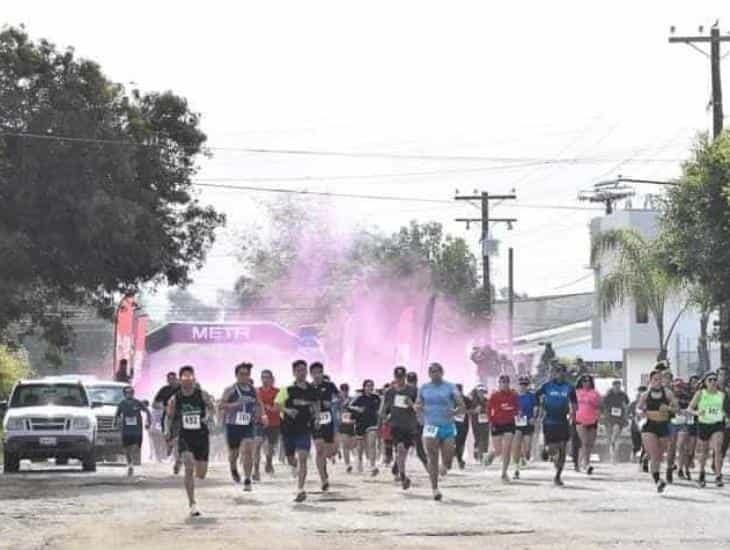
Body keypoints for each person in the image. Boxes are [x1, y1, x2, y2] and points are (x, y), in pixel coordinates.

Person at [165, 365, 216, 517]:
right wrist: (168, 431)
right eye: (184, 377)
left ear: (194, 378)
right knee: (189, 466)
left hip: (201, 435)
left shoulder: (202, 394)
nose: (187, 380)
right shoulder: (176, 398)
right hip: (185, 435)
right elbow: (169, 416)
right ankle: (192, 503)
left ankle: (193, 479)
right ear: (180, 380)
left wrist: (209, 416)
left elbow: (212, 407)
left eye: (190, 377)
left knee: (201, 473)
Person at [415, 362, 466, 501]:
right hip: (431, 425)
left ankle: (445, 465)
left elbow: (461, 404)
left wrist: (456, 411)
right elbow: (418, 403)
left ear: (442, 372)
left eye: (437, 371)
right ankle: (435, 489)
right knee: (432, 457)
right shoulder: (424, 388)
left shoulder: (450, 386)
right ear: (429, 373)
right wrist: (418, 408)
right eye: (432, 371)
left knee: (448, 457)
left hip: (447, 426)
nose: (434, 373)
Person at [275, 359, 319, 502]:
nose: (302, 373)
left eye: (304, 370)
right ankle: (294, 468)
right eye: (299, 370)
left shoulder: (312, 390)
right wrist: (287, 410)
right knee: (291, 459)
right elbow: (276, 406)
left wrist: (317, 418)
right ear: (294, 372)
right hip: (288, 429)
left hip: (304, 428)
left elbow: (316, 404)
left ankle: (300, 489)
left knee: (303, 459)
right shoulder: (287, 389)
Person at [219, 362, 265, 491]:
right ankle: (233, 467)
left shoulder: (253, 390)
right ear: (236, 375)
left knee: (248, 450)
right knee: (234, 453)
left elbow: (259, 404)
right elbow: (221, 406)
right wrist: (236, 404)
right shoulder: (230, 390)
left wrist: (262, 415)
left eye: (246, 374)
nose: (244, 377)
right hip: (233, 425)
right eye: (241, 374)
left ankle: (247, 479)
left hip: (248, 424)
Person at [536, 364, 577, 486]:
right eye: (558, 371)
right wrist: (540, 405)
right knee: (552, 448)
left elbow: (574, 402)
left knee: (563, 448)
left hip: (563, 421)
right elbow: (536, 395)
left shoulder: (569, 387)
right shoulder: (547, 386)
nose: (560, 374)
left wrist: (573, 414)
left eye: (563, 371)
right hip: (549, 421)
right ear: (554, 373)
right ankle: (547, 451)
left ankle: (558, 476)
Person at [637, 370, 676, 493]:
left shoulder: (668, 393)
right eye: (655, 379)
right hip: (649, 426)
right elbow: (637, 409)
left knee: (659, 456)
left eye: (660, 379)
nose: (658, 382)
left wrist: (668, 409)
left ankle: (646, 459)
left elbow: (677, 408)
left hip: (663, 426)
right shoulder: (645, 394)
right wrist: (641, 412)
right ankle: (658, 480)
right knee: (655, 455)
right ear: (650, 381)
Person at [381, 366, 419, 489]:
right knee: (400, 449)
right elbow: (383, 409)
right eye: (397, 377)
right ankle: (403, 476)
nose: (400, 379)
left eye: (402, 377)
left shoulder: (413, 391)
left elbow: (419, 408)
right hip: (396, 425)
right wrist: (384, 418)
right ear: (394, 377)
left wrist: (411, 404)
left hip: (409, 426)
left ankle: (397, 466)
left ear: (405, 377)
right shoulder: (389, 392)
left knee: (404, 452)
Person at [688, 372, 727, 488]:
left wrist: (725, 414)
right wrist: (697, 412)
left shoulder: (722, 395)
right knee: (704, 452)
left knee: (718, 448)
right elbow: (689, 409)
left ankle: (718, 476)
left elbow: (725, 409)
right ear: (705, 382)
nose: (713, 382)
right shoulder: (700, 393)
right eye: (710, 380)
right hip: (704, 424)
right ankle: (701, 473)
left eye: (715, 379)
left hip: (718, 424)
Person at [309, 362, 339, 491]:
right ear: (311, 374)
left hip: (328, 420)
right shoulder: (308, 388)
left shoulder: (329, 385)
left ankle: (325, 468)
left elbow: (340, 398)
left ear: (322, 373)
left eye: (319, 372)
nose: (317, 375)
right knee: (319, 448)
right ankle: (323, 479)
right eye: (314, 373)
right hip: (315, 421)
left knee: (329, 451)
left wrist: (332, 402)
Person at [485, 375, 519, 483]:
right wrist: (490, 421)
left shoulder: (514, 395)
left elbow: (518, 408)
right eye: (502, 382)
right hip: (497, 423)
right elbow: (488, 409)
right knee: (499, 451)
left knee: (507, 449)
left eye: (506, 382)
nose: (504, 384)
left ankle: (504, 473)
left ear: (509, 383)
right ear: (499, 383)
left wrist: (515, 413)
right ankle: (492, 453)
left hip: (509, 423)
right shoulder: (494, 395)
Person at [114, 386, 151, 477]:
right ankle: (130, 463)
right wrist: (115, 424)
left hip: (137, 429)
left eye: (131, 392)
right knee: (126, 448)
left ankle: (132, 460)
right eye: (127, 392)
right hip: (126, 429)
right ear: (124, 394)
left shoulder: (137, 402)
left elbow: (147, 412)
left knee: (135, 446)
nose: (129, 394)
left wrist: (148, 422)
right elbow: (117, 415)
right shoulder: (122, 404)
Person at [350, 379, 381, 476]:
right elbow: (349, 406)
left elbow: (381, 409)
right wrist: (357, 409)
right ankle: (359, 462)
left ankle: (372, 466)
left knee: (372, 444)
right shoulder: (359, 397)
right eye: (368, 386)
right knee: (360, 446)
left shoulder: (376, 398)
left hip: (372, 423)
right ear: (364, 387)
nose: (370, 387)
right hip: (360, 423)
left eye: (371, 385)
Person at [254, 369, 280, 478]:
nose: (265, 380)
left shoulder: (277, 391)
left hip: (274, 423)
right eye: (263, 377)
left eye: (267, 377)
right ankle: (256, 471)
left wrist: (273, 408)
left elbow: (280, 407)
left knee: (270, 447)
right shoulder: (257, 391)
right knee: (257, 445)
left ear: (272, 379)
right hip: (259, 422)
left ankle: (269, 461)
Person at [575, 374, 601, 475]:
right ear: (581, 382)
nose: (586, 383)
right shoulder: (576, 392)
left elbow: (599, 406)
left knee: (590, 444)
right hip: (580, 420)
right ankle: (586, 464)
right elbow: (571, 404)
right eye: (584, 381)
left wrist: (599, 415)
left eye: (588, 381)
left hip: (593, 420)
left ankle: (583, 461)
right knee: (584, 442)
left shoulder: (595, 393)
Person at [514, 375, 538, 479]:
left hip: (528, 422)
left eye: (525, 384)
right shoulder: (514, 396)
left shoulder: (531, 396)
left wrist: (534, 417)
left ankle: (524, 456)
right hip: (517, 422)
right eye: (521, 384)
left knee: (527, 447)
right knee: (517, 444)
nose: (523, 386)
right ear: (518, 385)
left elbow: (536, 407)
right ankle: (516, 467)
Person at [602, 380, 629, 464]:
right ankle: (612, 456)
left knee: (616, 434)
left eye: (619, 387)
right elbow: (603, 405)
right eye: (616, 386)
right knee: (610, 438)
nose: (617, 388)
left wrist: (626, 416)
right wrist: (603, 415)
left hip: (619, 418)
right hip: (609, 417)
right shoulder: (608, 395)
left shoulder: (623, 395)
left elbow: (626, 405)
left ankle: (614, 453)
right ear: (613, 386)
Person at [406, 371, 429, 471]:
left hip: (407, 423)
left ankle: (396, 471)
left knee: (403, 448)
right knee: (419, 449)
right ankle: (429, 468)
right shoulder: (421, 392)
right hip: (416, 423)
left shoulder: (404, 392)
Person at [338, 383, 357, 473]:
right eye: (343, 390)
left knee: (353, 445)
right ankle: (347, 464)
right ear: (340, 391)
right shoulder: (337, 400)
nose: (345, 392)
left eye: (346, 390)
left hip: (352, 424)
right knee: (345, 445)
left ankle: (354, 460)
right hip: (343, 424)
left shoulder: (352, 399)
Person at [469, 385, 490, 464]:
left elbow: (491, 410)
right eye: (479, 392)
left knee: (485, 439)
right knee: (478, 439)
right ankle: (476, 455)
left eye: (482, 392)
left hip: (485, 423)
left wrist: (487, 411)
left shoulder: (487, 401)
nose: (481, 393)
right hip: (476, 423)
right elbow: (468, 411)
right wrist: (474, 411)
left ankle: (484, 457)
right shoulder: (472, 401)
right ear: (477, 392)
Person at [453, 384, 471, 470]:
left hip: (464, 425)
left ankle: (459, 459)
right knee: (455, 442)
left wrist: (465, 411)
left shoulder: (466, 399)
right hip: (453, 424)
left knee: (461, 443)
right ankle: (459, 460)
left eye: (459, 391)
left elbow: (473, 410)